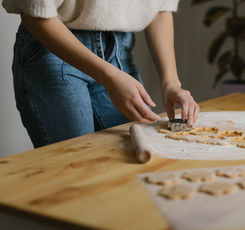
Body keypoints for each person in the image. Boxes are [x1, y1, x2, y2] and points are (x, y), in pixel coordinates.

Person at [2, 0, 200, 148]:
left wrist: (171, 83)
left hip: (120, 52)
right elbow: (35, 14)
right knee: (75, 173)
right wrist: (108, 76)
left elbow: (159, 8)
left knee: (132, 164)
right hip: (55, 49)